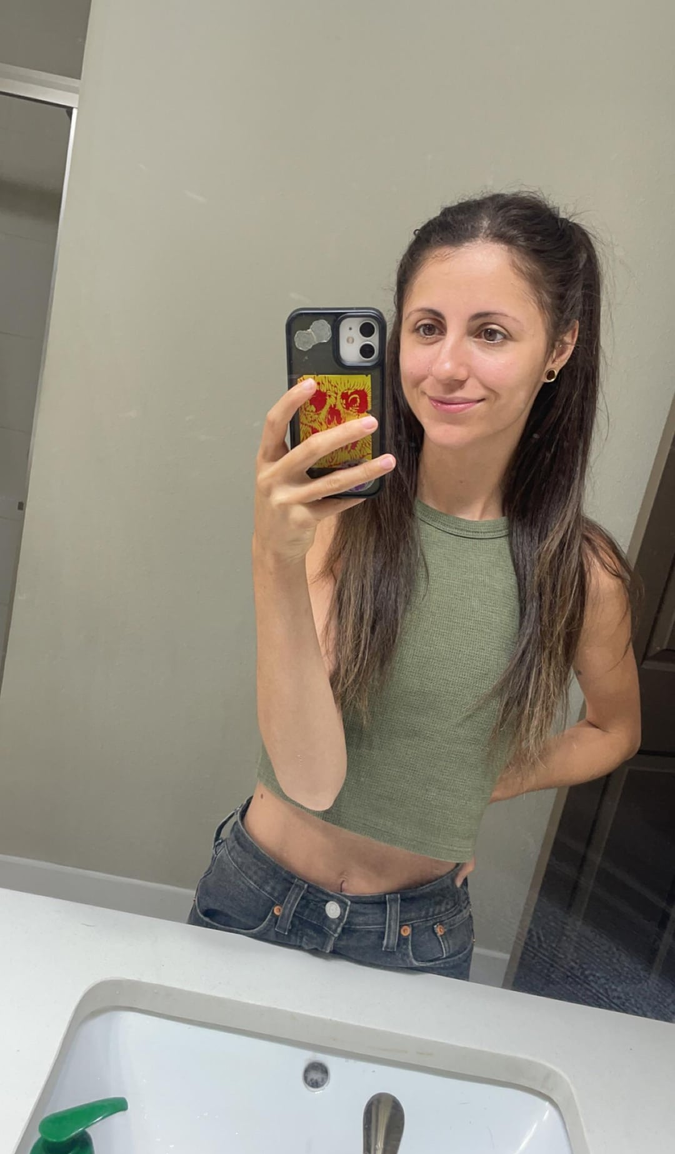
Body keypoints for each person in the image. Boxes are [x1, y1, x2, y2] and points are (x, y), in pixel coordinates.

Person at [189, 191, 641, 981]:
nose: (446, 367)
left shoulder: (577, 575)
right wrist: (273, 559)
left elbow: (613, 729)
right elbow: (309, 777)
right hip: (253, 898)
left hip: (415, 937)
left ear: (559, 346)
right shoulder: (337, 513)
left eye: (490, 333)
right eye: (427, 328)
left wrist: (480, 779)